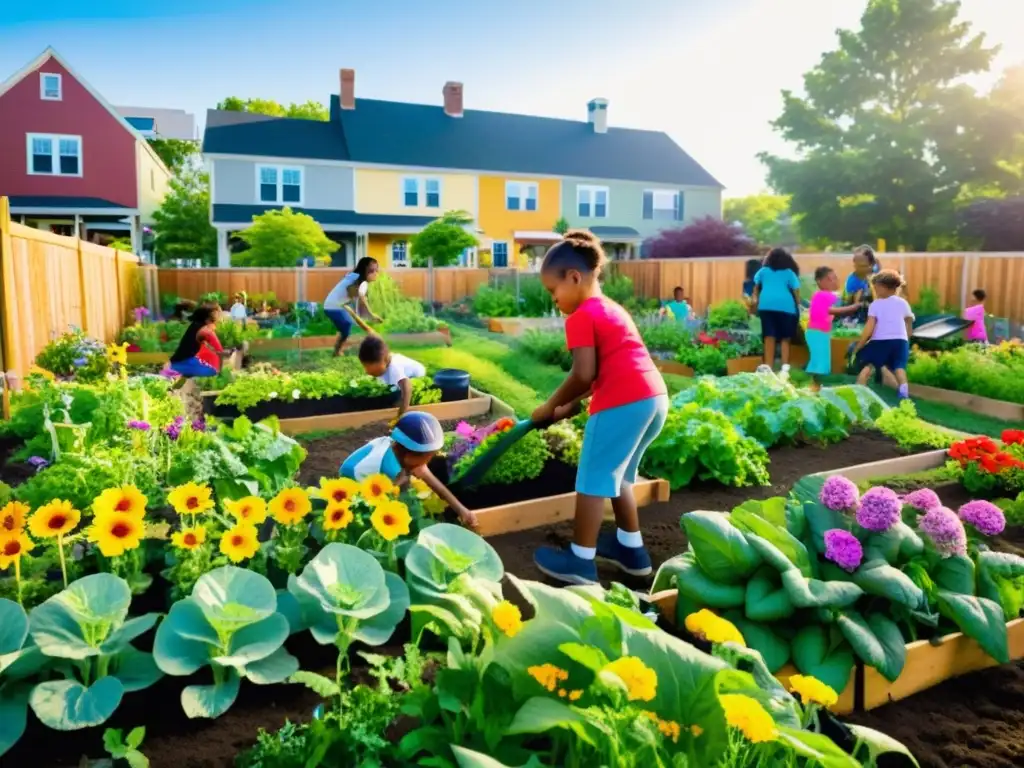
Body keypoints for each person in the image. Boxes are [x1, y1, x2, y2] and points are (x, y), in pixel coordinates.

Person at [530, 230, 668, 585]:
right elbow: (607, 372)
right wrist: (570, 408)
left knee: (591, 480)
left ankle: (580, 560)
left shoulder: (580, 316)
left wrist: (549, 406)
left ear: (574, 277)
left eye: (553, 291)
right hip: (653, 399)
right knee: (619, 475)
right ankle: (631, 550)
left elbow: (583, 373)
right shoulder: (611, 309)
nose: (553, 300)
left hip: (624, 402)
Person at [340, 412, 477, 528]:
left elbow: (430, 479)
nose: (427, 463)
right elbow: (384, 505)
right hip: (353, 490)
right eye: (427, 458)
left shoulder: (399, 450)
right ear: (410, 455)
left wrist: (461, 510)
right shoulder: (388, 469)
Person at [851, 270, 914, 400]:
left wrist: (859, 345)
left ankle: (859, 389)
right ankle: (903, 392)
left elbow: (869, 327)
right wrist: (907, 338)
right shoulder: (902, 303)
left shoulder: (876, 304)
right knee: (899, 367)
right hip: (901, 341)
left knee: (867, 361)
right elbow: (909, 321)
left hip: (881, 341)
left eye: (876, 287)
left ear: (884, 287)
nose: (875, 290)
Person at [806, 267, 864, 390]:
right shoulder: (823, 295)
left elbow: (841, 301)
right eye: (830, 279)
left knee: (820, 359)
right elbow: (835, 308)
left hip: (818, 332)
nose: (834, 281)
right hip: (817, 332)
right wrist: (854, 306)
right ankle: (814, 385)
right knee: (819, 360)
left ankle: (815, 384)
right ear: (820, 282)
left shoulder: (824, 295)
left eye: (834, 278)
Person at [751, 247, 801, 376]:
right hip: (786, 306)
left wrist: (755, 301)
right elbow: (796, 292)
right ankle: (785, 368)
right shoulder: (789, 272)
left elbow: (756, 289)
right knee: (785, 338)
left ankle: (768, 367)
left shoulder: (762, 272)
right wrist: (798, 306)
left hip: (766, 305)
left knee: (769, 336)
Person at [324, 257, 382, 356]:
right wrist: (371, 315)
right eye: (373, 271)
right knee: (348, 326)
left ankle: (337, 351)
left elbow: (354, 304)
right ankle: (369, 346)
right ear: (366, 271)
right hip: (333, 307)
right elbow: (360, 300)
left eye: (377, 270)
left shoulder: (355, 278)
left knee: (347, 328)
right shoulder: (359, 281)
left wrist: (370, 318)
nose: (376, 273)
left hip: (334, 305)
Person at [358, 336, 427, 418]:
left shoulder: (395, 368)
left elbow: (407, 385)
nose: (367, 371)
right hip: (398, 377)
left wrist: (401, 411)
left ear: (385, 360)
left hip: (415, 376)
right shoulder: (384, 363)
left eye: (374, 371)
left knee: (396, 395)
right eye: (365, 366)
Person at [168, 305, 225, 385]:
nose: (217, 320)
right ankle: (185, 375)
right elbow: (220, 351)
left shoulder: (195, 325)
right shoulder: (205, 330)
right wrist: (219, 371)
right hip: (184, 364)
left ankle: (184, 376)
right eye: (215, 318)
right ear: (207, 319)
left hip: (176, 362)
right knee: (212, 371)